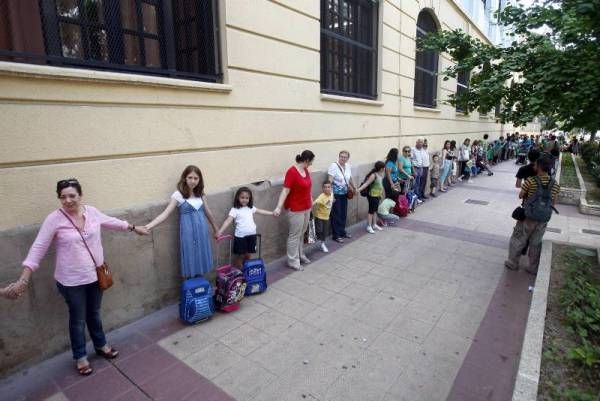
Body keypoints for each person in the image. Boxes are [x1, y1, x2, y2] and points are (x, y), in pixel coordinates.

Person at [3, 178, 147, 376]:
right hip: (71, 282)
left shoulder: (92, 212)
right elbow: (38, 248)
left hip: (96, 276)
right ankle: (80, 356)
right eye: (63, 197)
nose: (68, 200)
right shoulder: (54, 219)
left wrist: (133, 227)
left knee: (94, 313)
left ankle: (101, 345)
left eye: (72, 196)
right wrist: (24, 278)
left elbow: (111, 222)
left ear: (80, 196)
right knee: (78, 319)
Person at [145, 165, 218, 279]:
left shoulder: (201, 194)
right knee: (190, 255)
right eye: (190, 177)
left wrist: (216, 229)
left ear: (200, 180)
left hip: (202, 230)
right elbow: (166, 213)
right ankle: (190, 285)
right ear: (184, 178)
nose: (193, 181)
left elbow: (208, 213)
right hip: (188, 231)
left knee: (201, 255)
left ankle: (199, 283)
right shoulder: (178, 195)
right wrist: (149, 226)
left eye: (196, 178)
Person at [505, 155, 560, 274]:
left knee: (519, 238)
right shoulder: (555, 184)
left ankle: (513, 263)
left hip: (528, 216)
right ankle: (532, 267)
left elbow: (521, 195)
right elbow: (554, 202)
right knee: (536, 242)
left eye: (535, 164)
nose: (534, 166)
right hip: (543, 218)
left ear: (539, 167)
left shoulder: (531, 180)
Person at [274, 150, 315, 270]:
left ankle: (301, 255)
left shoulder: (306, 170)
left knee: (302, 233)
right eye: (311, 161)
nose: (312, 163)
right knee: (294, 235)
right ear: (307, 160)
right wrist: (278, 207)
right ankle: (292, 261)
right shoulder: (292, 172)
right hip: (295, 208)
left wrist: (311, 200)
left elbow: (307, 187)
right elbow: (285, 190)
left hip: (306, 207)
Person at [215, 187, 275, 267]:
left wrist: (272, 213)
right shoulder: (235, 209)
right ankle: (239, 271)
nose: (244, 200)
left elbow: (261, 211)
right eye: (242, 197)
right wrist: (220, 232)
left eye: (247, 198)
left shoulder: (250, 208)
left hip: (252, 235)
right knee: (241, 256)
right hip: (241, 237)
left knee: (248, 254)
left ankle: (247, 270)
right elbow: (227, 221)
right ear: (238, 198)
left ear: (249, 199)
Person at [327, 150, 356, 243]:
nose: (343, 158)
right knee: (336, 214)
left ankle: (342, 231)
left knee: (343, 213)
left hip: (344, 193)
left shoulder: (347, 166)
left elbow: (350, 177)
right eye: (341, 156)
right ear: (339, 157)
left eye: (345, 157)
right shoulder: (333, 166)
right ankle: (336, 235)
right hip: (336, 194)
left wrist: (354, 187)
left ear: (348, 158)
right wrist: (331, 195)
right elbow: (330, 181)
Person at [357, 161, 385, 234]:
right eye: (383, 168)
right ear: (381, 168)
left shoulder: (380, 174)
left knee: (375, 210)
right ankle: (369, 226)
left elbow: (380, 185)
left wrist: (381, 193)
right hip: (372, 195)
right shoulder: (373, 175)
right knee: (371, 211)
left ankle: (374, 224)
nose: (384, 169)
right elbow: (366, 184)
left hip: (377, 195)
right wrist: (358, 190)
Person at [313, 180, 334, 253]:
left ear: (331, 188)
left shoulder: (332, 194)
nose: (327, 189)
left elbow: (332, 200)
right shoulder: (321, 196)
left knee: (324, 232)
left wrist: (333, 200)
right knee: (319, 230)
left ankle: (322, 243)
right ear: (322, 188)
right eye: (325, 187)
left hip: (327, 217)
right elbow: (316, 202)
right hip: (319, 217)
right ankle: (315, 236)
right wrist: (309, 205)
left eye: (328, 187)